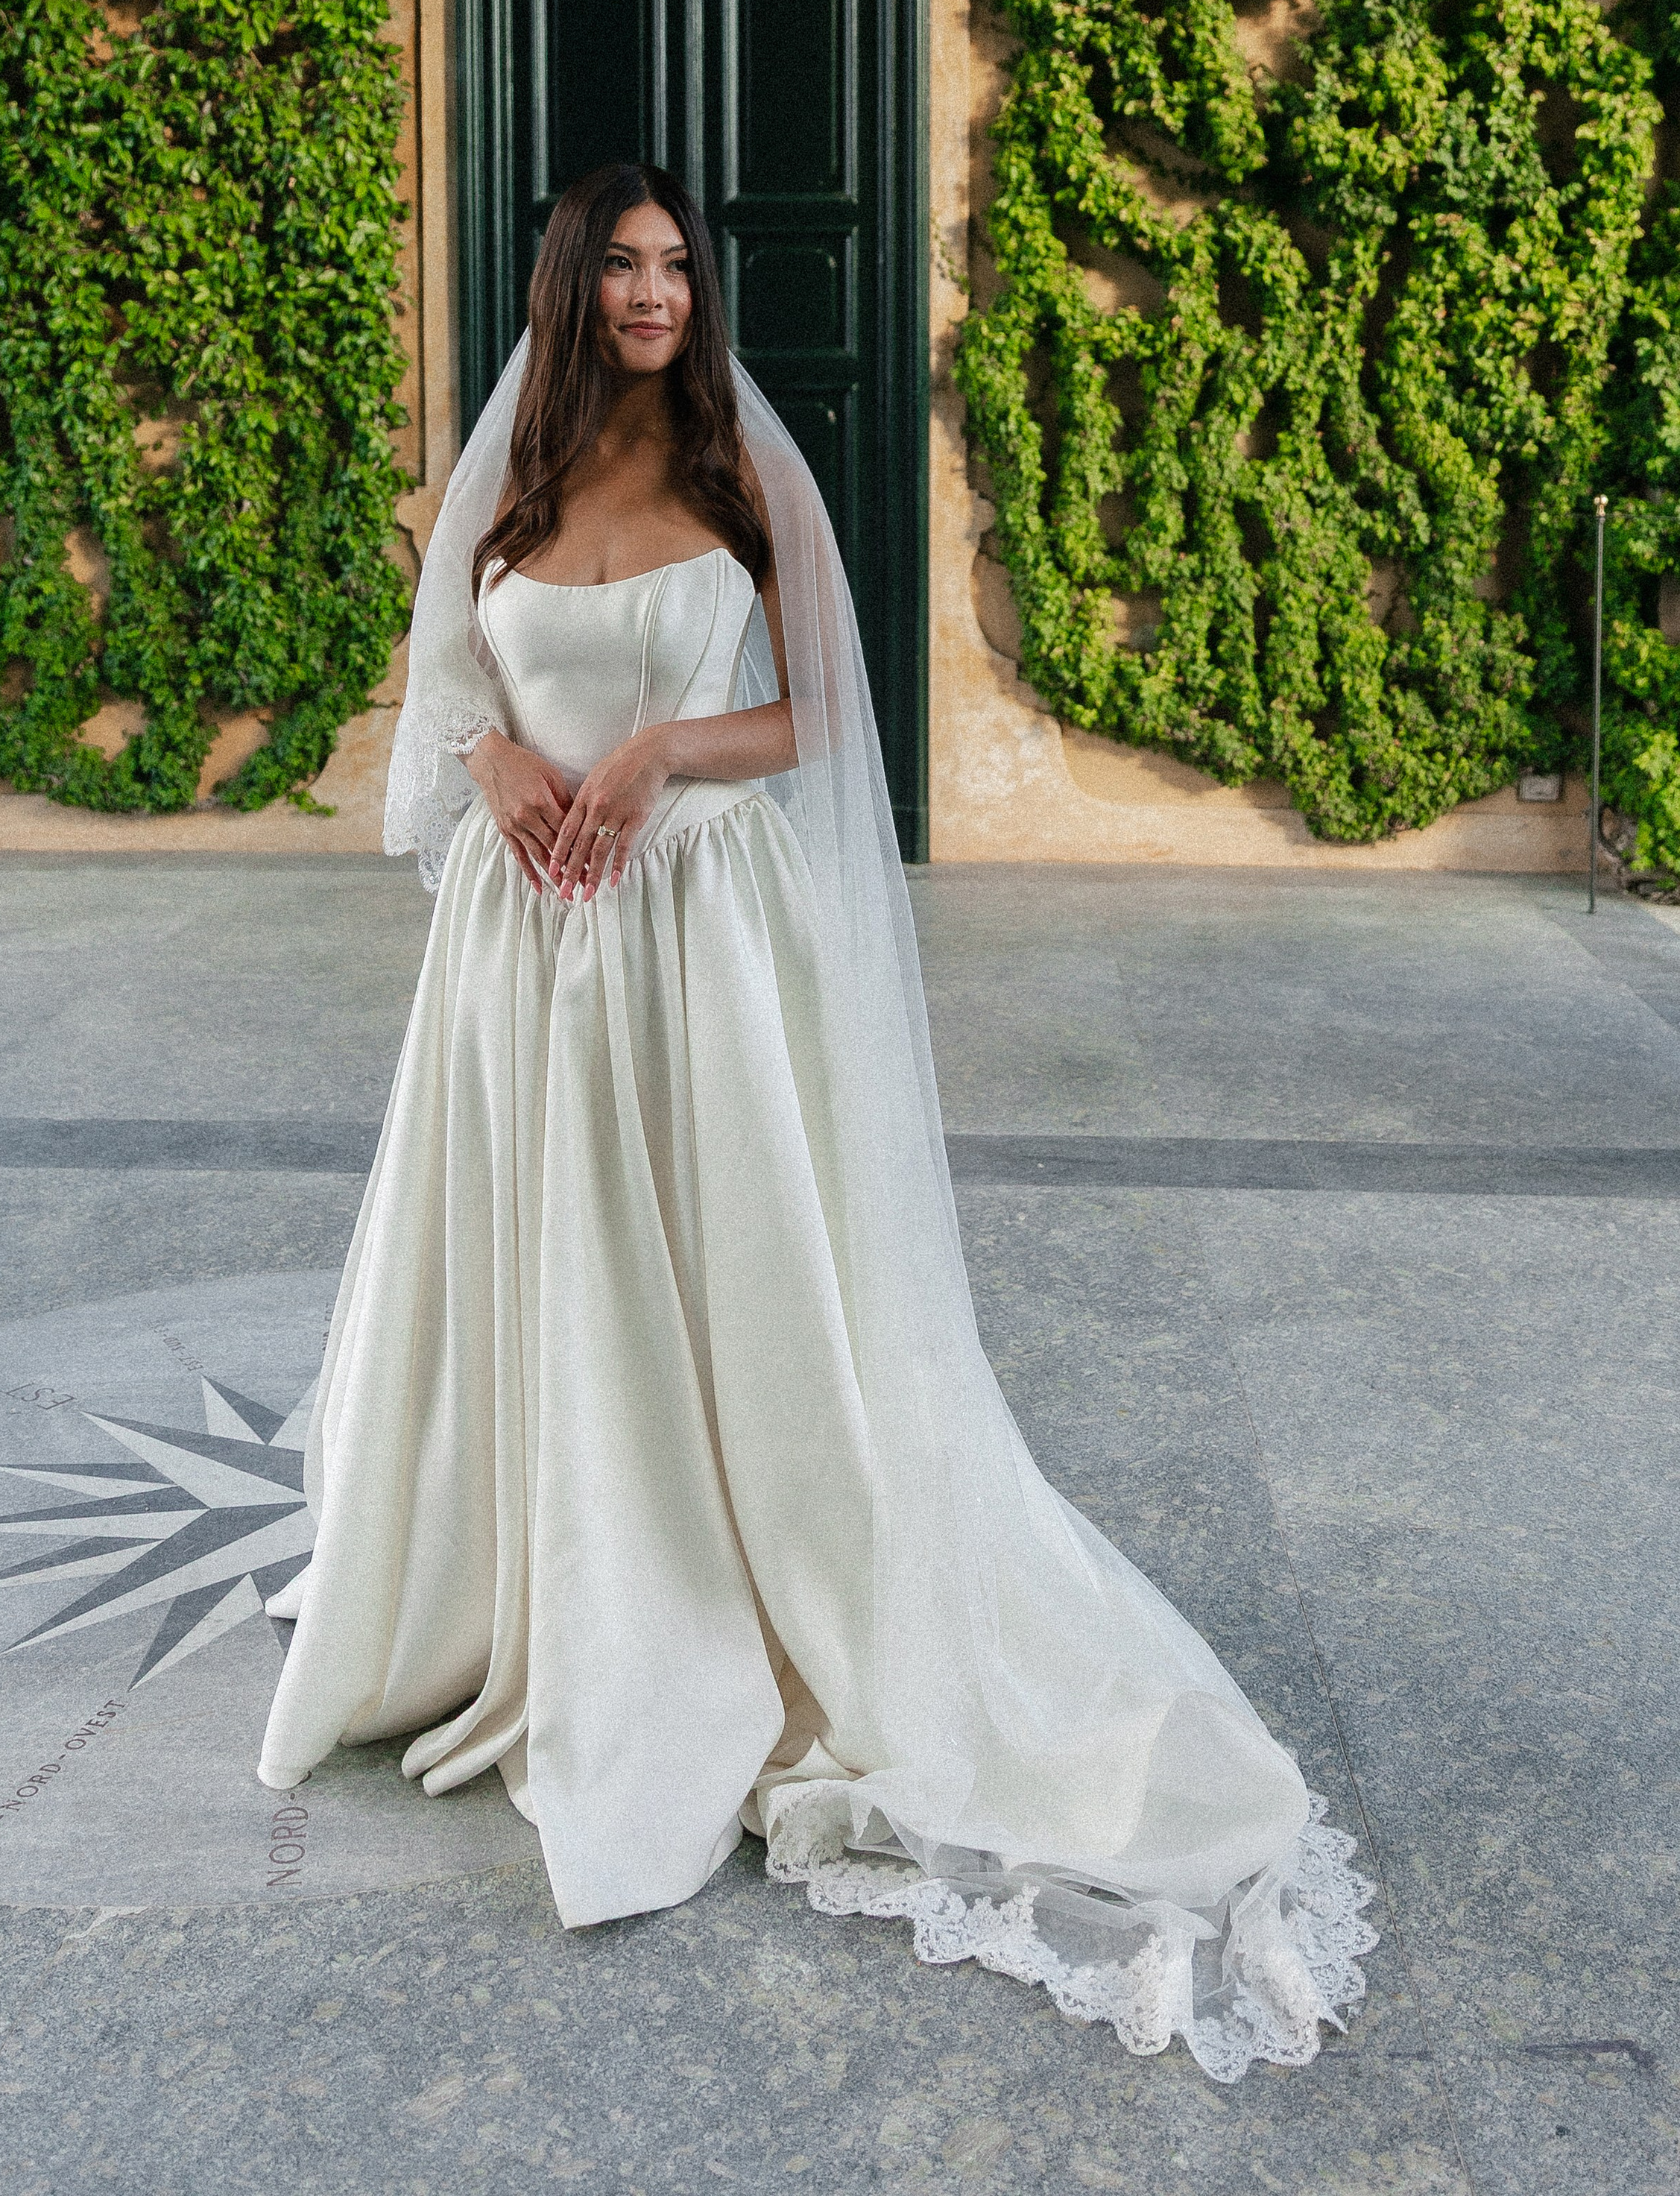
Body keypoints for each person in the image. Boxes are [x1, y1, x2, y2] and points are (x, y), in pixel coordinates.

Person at [256, 161, 1374, 2078]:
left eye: (676, 264)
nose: (651, 293)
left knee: (725, 1276)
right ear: (565, 284)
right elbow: (445, 672)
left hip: (697, 933)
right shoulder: (501, 487)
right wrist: (498, 751)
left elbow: (822, 721)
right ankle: (542, 1574)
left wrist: (661, 744)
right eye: (618, 264)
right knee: (551, 1273)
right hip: (530, 963)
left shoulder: (737, 478)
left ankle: (729, 1572)